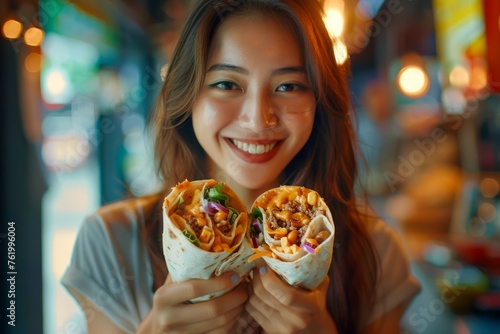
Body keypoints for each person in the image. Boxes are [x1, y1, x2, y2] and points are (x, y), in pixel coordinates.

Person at [61, 0, 420, 333]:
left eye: (289, 85)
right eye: (227, 83)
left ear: (321, 102)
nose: (257, 119)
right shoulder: (110, 244)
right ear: (188, 95)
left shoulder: (378, 253)